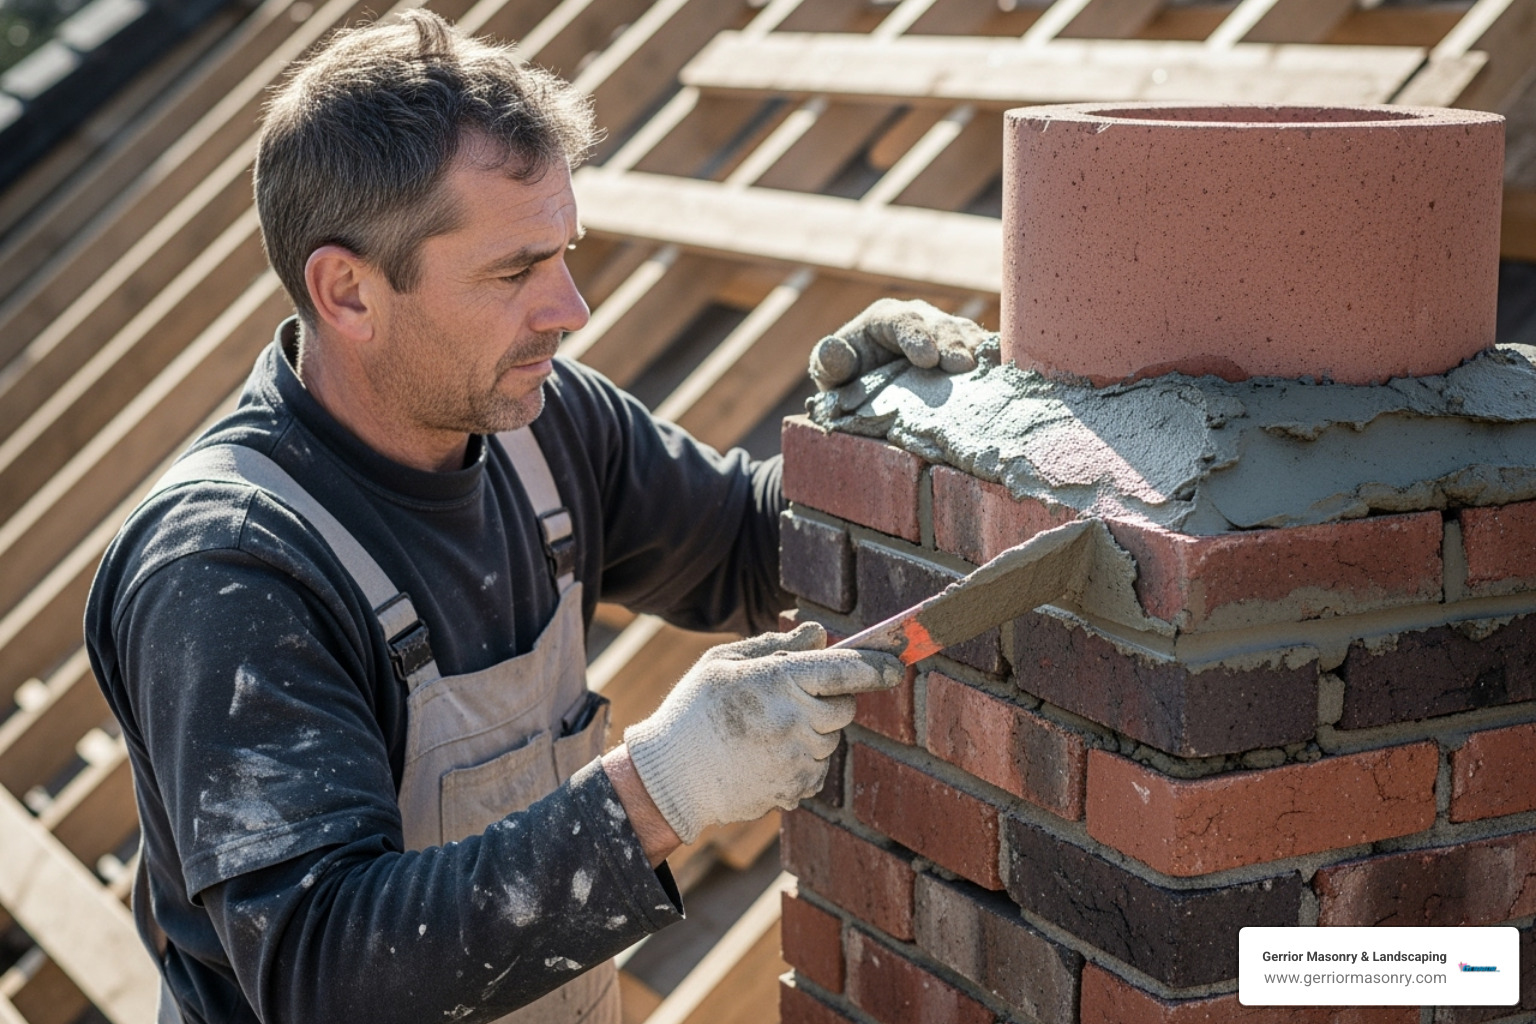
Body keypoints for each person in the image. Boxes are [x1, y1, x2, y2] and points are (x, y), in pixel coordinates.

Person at [84, 10, 989, 1024]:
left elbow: (748, 544)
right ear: (346, 292)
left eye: (564, 252)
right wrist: (657, 790)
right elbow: (323, 971)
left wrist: (872, 439)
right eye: (514, 271)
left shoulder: (544, 428)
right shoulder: (229, 568)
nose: (570, 308)